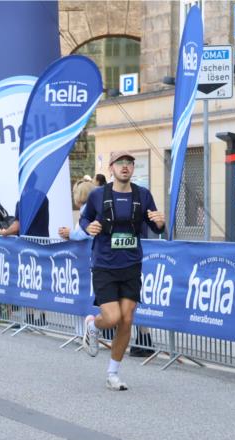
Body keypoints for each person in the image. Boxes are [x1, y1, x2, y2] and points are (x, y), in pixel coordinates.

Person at [79, 151, 166, 390]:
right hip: (105, 265)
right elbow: (84, 220)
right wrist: (90, 227)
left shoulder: (143, 195)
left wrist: (160, 222)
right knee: (113, 317)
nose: (125, 167)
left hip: (131, 264)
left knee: (127, 320)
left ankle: (113, 373)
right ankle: (93, 326)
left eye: (129, 163)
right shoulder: (98, 195)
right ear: (111, 169)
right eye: (120, 163)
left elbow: (155, 226)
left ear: (133, 168)